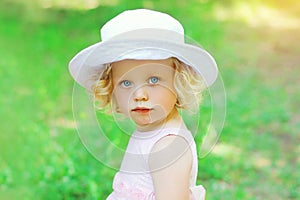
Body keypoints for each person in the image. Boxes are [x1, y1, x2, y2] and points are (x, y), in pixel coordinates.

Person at [69, 9, 218, 200]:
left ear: (179, 83)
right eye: (126, 83)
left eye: (154, 80)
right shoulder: (152, 133)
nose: (139, 95)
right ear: (111, 89)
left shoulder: (169, 147)